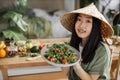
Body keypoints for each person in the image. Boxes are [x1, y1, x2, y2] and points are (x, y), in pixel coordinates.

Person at [60, 3, 114, 80]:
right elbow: (68, 73)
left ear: (95, 26)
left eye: (88, 21)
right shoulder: (74, 44)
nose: (81, 25)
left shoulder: (102, 51)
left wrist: (75, 64)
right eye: (79, 19)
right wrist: (62, 57)